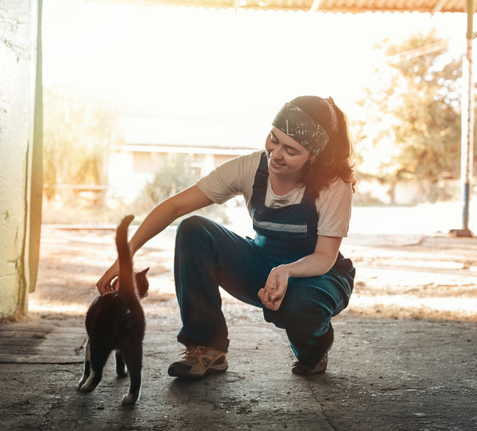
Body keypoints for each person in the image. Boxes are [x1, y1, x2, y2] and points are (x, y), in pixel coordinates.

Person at [96, 95, 356, 379]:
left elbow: (324, 256)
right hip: (261, 264)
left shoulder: (334, 185)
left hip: (319, 275)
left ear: (313, 155)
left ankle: (314, 351)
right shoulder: (248, 168)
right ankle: (207, 346)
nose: (276, 153)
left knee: (301, 308)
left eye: (291, 150)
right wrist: (125, 256)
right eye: (273, 138)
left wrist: (287, 271)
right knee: (193, 229)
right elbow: (175, 206)